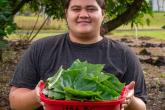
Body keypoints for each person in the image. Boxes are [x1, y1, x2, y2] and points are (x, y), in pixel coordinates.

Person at [9, 0, 147, 110]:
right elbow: (15, 101)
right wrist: (37, 96)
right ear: (66, 14)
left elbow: (142, 106)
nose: (83, 14)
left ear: (103, 14)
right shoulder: (40, 48)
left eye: (91, 9)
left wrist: (130, 100)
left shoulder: (124, 54)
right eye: (76, 9)